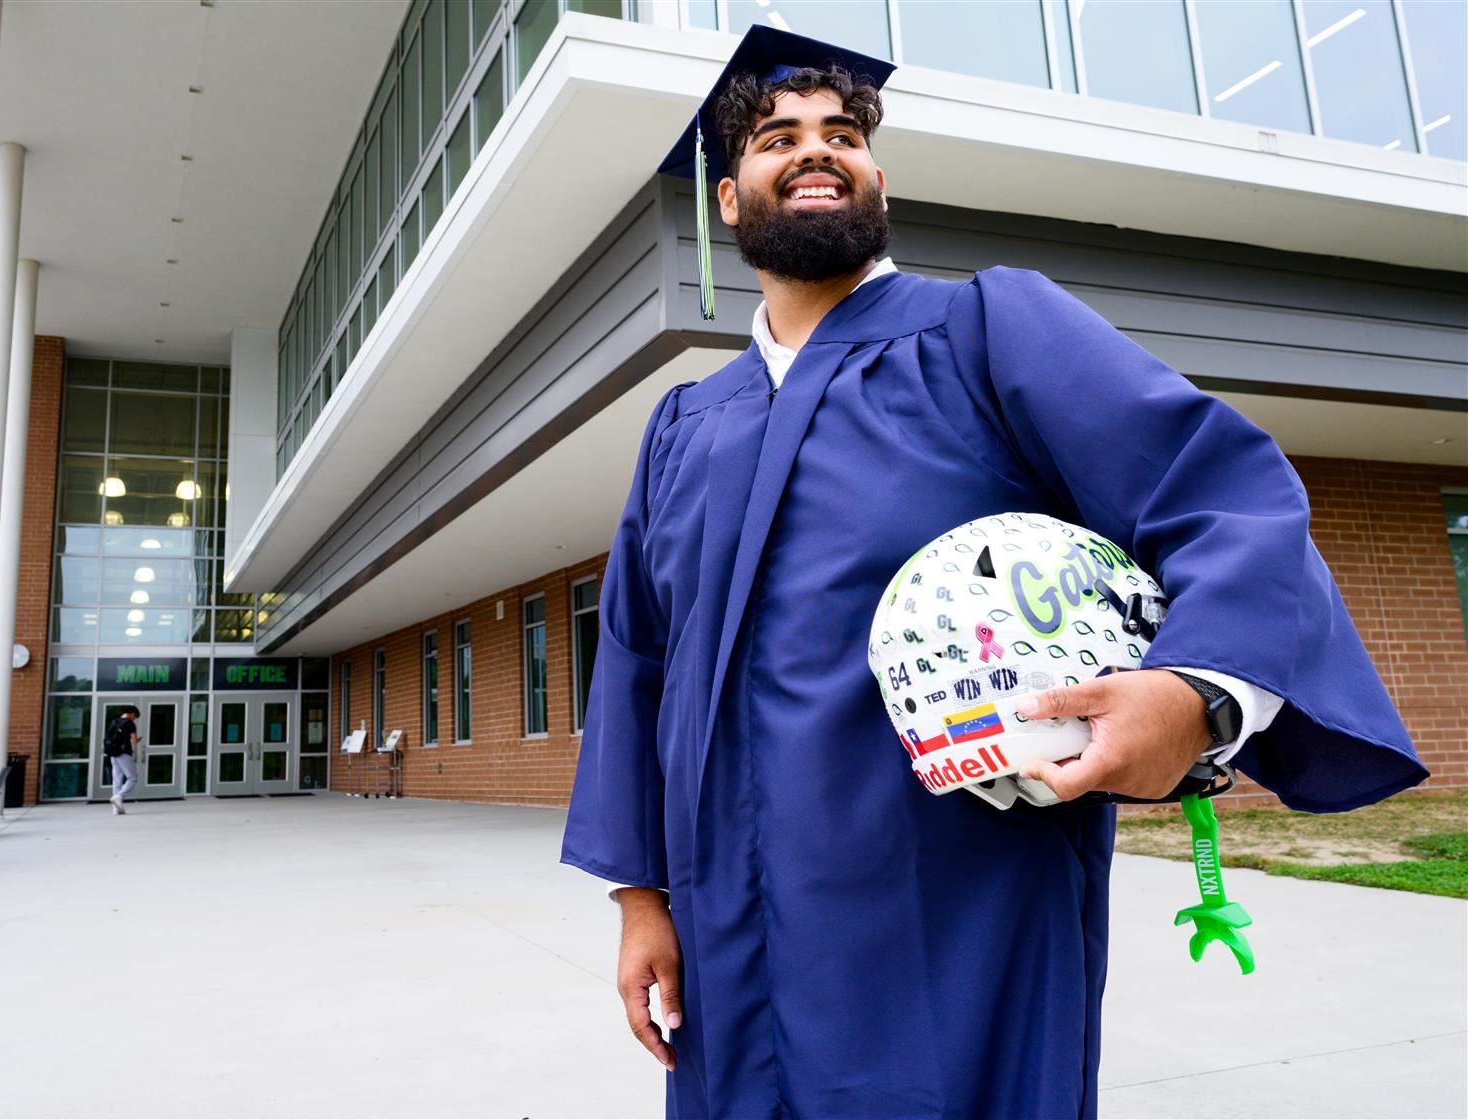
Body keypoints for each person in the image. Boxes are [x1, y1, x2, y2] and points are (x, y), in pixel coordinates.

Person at [559, 25, 1427, 1119]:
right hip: (725, 929)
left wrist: (1193, 690)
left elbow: (1221, 489)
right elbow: (639, 663)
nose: (817, 151)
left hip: (957, 900)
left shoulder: (982, 331)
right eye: (779, 137)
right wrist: (644, 900)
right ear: (730, 198)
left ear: (878, 180)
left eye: (844, 136)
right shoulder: (685, 425)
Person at [104, 705, 140, 815]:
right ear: (132, 713)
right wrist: (137, 740)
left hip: (112, 754)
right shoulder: (129, 723)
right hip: (124, 754)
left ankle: (116, 809)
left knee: (117, 780)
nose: (134, 719)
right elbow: (133, 741)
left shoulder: (114, 722)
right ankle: (119, 796)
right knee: (133, 778)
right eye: (135, 717)